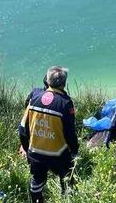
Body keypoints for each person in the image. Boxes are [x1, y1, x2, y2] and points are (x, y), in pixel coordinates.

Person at [18, 66, 79, 203]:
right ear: (64, 83)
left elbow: (22, 128)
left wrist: (27, 148)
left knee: (36, 183)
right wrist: (75, 151)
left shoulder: (34, 96)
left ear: (47, 80)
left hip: (35, 151)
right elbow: (70, 133)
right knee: (67, 179)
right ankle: (67, 198)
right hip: (58, 153)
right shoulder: (65, 103)